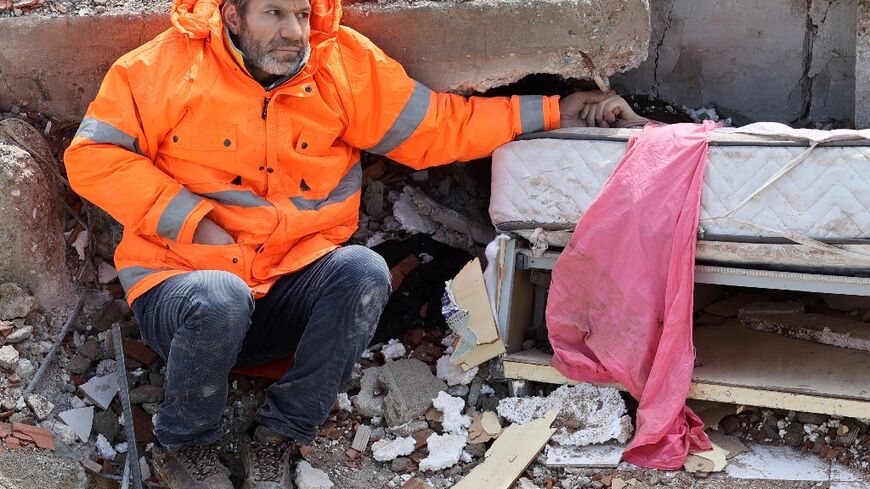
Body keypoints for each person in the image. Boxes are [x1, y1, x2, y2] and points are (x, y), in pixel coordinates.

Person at [64, 0, 645, 487]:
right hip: (188, 299)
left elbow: (439, 128)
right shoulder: (160, 67)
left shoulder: (340, 63)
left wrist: (557, 111)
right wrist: (192, 220)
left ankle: (279, 435)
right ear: (232, 16)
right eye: (273, 14)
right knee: (220, 296)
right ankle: (185, 445)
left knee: (364, 271)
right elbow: (92, 157)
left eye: (301, 13)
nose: (294, 31)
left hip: (286, 292)